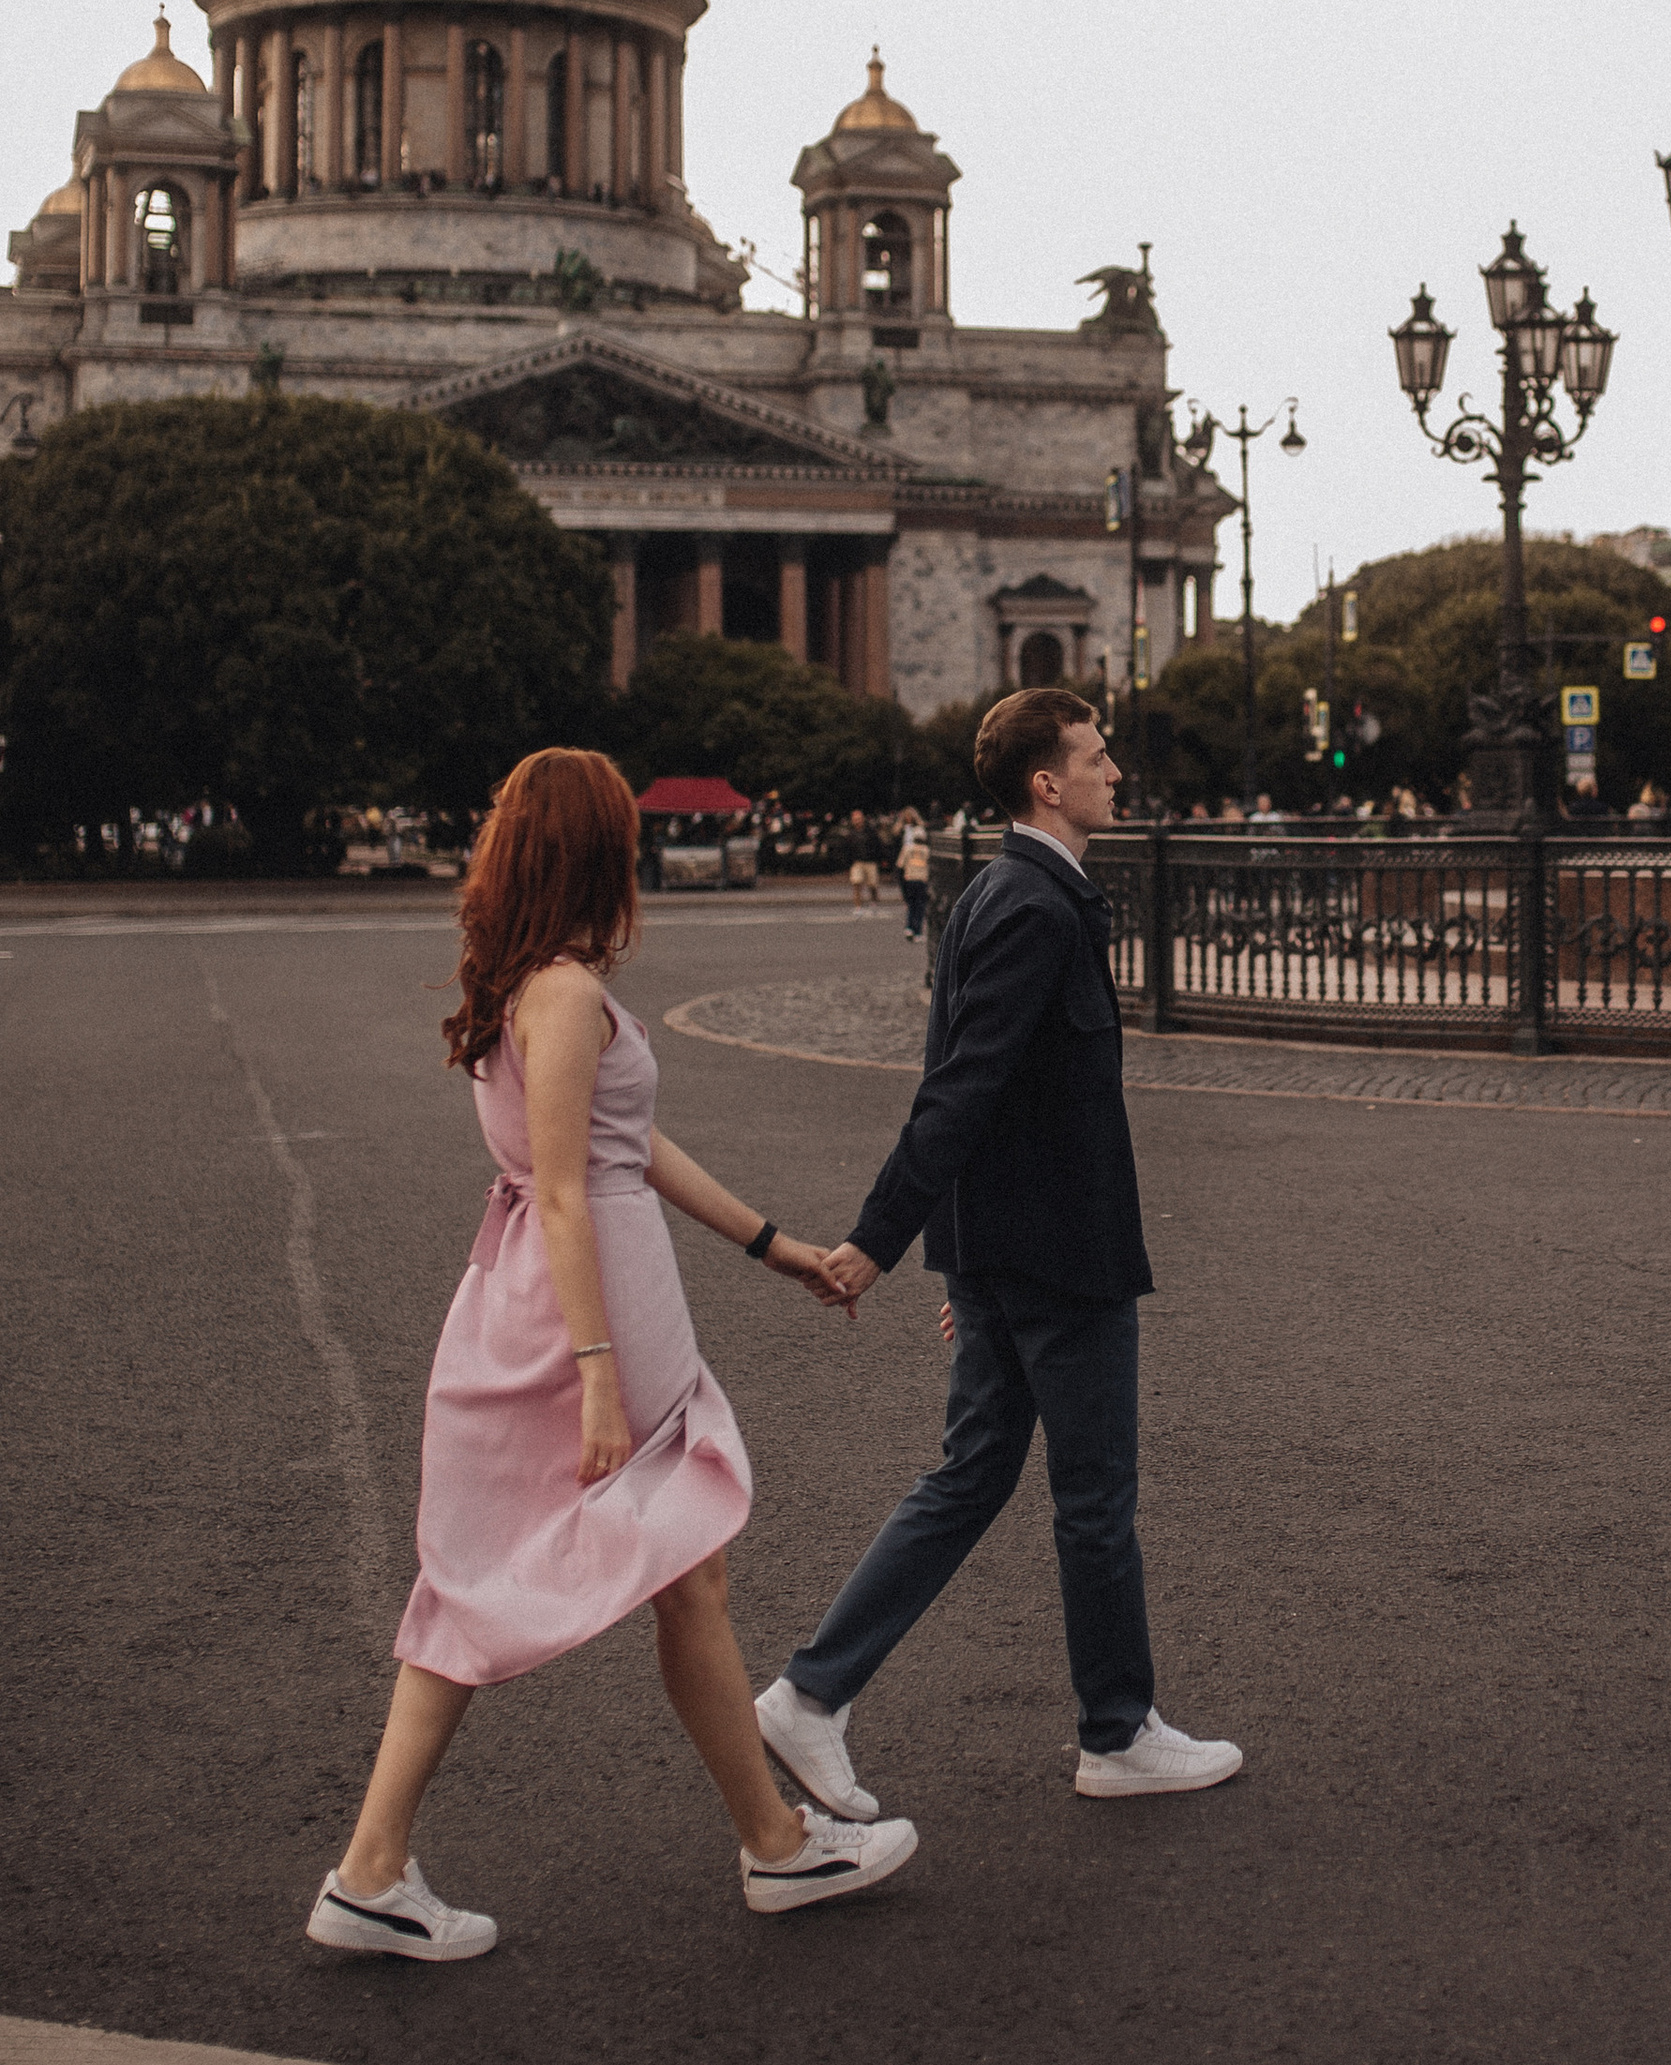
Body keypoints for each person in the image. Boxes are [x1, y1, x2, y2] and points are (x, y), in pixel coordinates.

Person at [307, 748, 917, 1962]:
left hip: (533, 1301)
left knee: (591, 1576)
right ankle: (776, 1849)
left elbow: (623, 1142)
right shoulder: (567, 994)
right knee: (668, 1568)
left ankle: (381, 1870)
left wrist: (770, 1243)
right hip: (589, 1308)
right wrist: (597, 1373)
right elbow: (577, 1192)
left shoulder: (525, 984)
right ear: (598, 853)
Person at [753, 688, 1240, 1812]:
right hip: (1059, 1254)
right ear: (1046, 783)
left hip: (1005, 1249)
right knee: (1093, 1498)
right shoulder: (1035, 905)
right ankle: (1115, 1733)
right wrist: (877, 1246)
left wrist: (966, 1263)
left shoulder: (994, 892)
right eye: (1096, 756)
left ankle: (813, 1695)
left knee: (969, 1478)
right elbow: (959, 1091)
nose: (1115, 771)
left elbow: (968, 1085)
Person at [895, 810, 932, 940]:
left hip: (909, 878)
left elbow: (900, 865)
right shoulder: (926, 850)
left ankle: (909, 927)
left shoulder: (907, 848)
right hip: (921, 879)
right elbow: (930, 866)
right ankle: (918, 931)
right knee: (920, 906)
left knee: (911, 904)